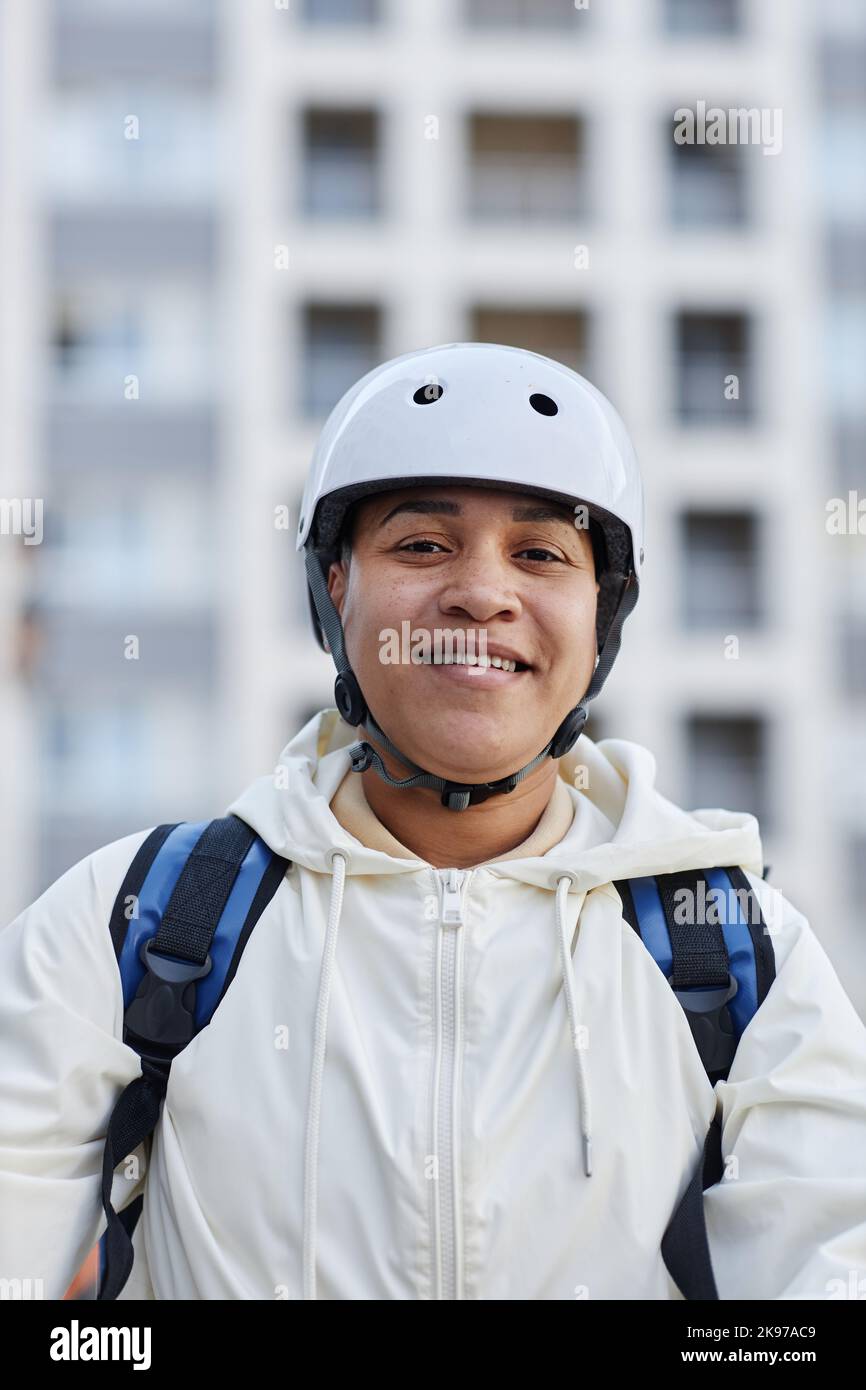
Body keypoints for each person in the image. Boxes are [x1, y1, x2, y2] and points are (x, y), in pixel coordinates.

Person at [1, 342, 865, 1301]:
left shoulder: (737, 946)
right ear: (337, 586)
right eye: (422, 545)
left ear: (603, 613)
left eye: (540, 554)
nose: (483, 593)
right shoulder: (137, 918)